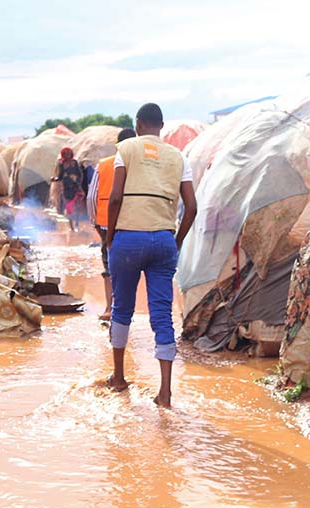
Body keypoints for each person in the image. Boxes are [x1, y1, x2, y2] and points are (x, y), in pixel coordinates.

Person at [104, 103, 198, 408]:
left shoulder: (126, 149)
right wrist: (177, 240)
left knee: (122, 309)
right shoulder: (179, 157)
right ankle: (165, 394)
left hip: (128, 239)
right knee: (161, 314)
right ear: (160, 125)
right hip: (163, 240)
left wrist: (110, 238)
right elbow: (191, 207)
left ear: (138, 124)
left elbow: (115, 197)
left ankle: (118, 378)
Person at [87, 128, 138, 321]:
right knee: (131, 267)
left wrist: (95, 222)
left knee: (109, 266)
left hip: (106, 224)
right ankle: (126, 309)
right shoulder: (141, 166)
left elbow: (92, 196)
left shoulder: (105, 164)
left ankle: (110, 308)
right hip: (134, 223)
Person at [51, 147, 86, 231]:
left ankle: (77, 223)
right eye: (66, 154)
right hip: (66, 188)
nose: (67, 155)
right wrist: (54, 179)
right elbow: (60, 176)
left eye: (69, 153)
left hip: (75, 187)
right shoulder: (61, 164)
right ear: (63, 154)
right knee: (69, 207)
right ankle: (71, 227)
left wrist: (78, 183)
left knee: (77, 206)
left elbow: (80, 174)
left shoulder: (75, 162)